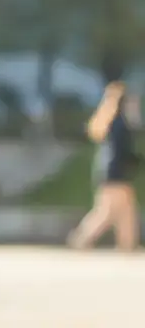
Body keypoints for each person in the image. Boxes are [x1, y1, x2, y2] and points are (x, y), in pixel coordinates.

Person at [67, 79, 141, 252]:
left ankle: (127, 245)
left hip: (109, 171)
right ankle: (82, 239)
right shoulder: (121, 125)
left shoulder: (111, 122)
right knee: (107, 212)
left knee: (126, 210)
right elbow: (123, 151)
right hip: (117, 173)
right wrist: (136, 161)